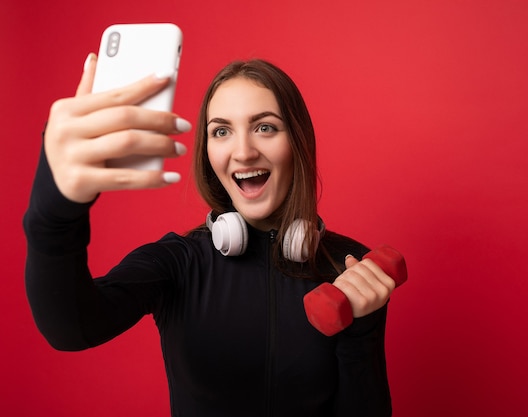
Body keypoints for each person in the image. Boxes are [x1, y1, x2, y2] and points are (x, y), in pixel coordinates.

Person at [24, 54, 397, 416]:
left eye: (264, 127)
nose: (243, 151)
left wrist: (359, 330)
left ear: (297, 141)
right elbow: (70, 329)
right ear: (207, 151)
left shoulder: (348, 267)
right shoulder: (178, 262)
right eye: (221, 131)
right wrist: (54, 213)